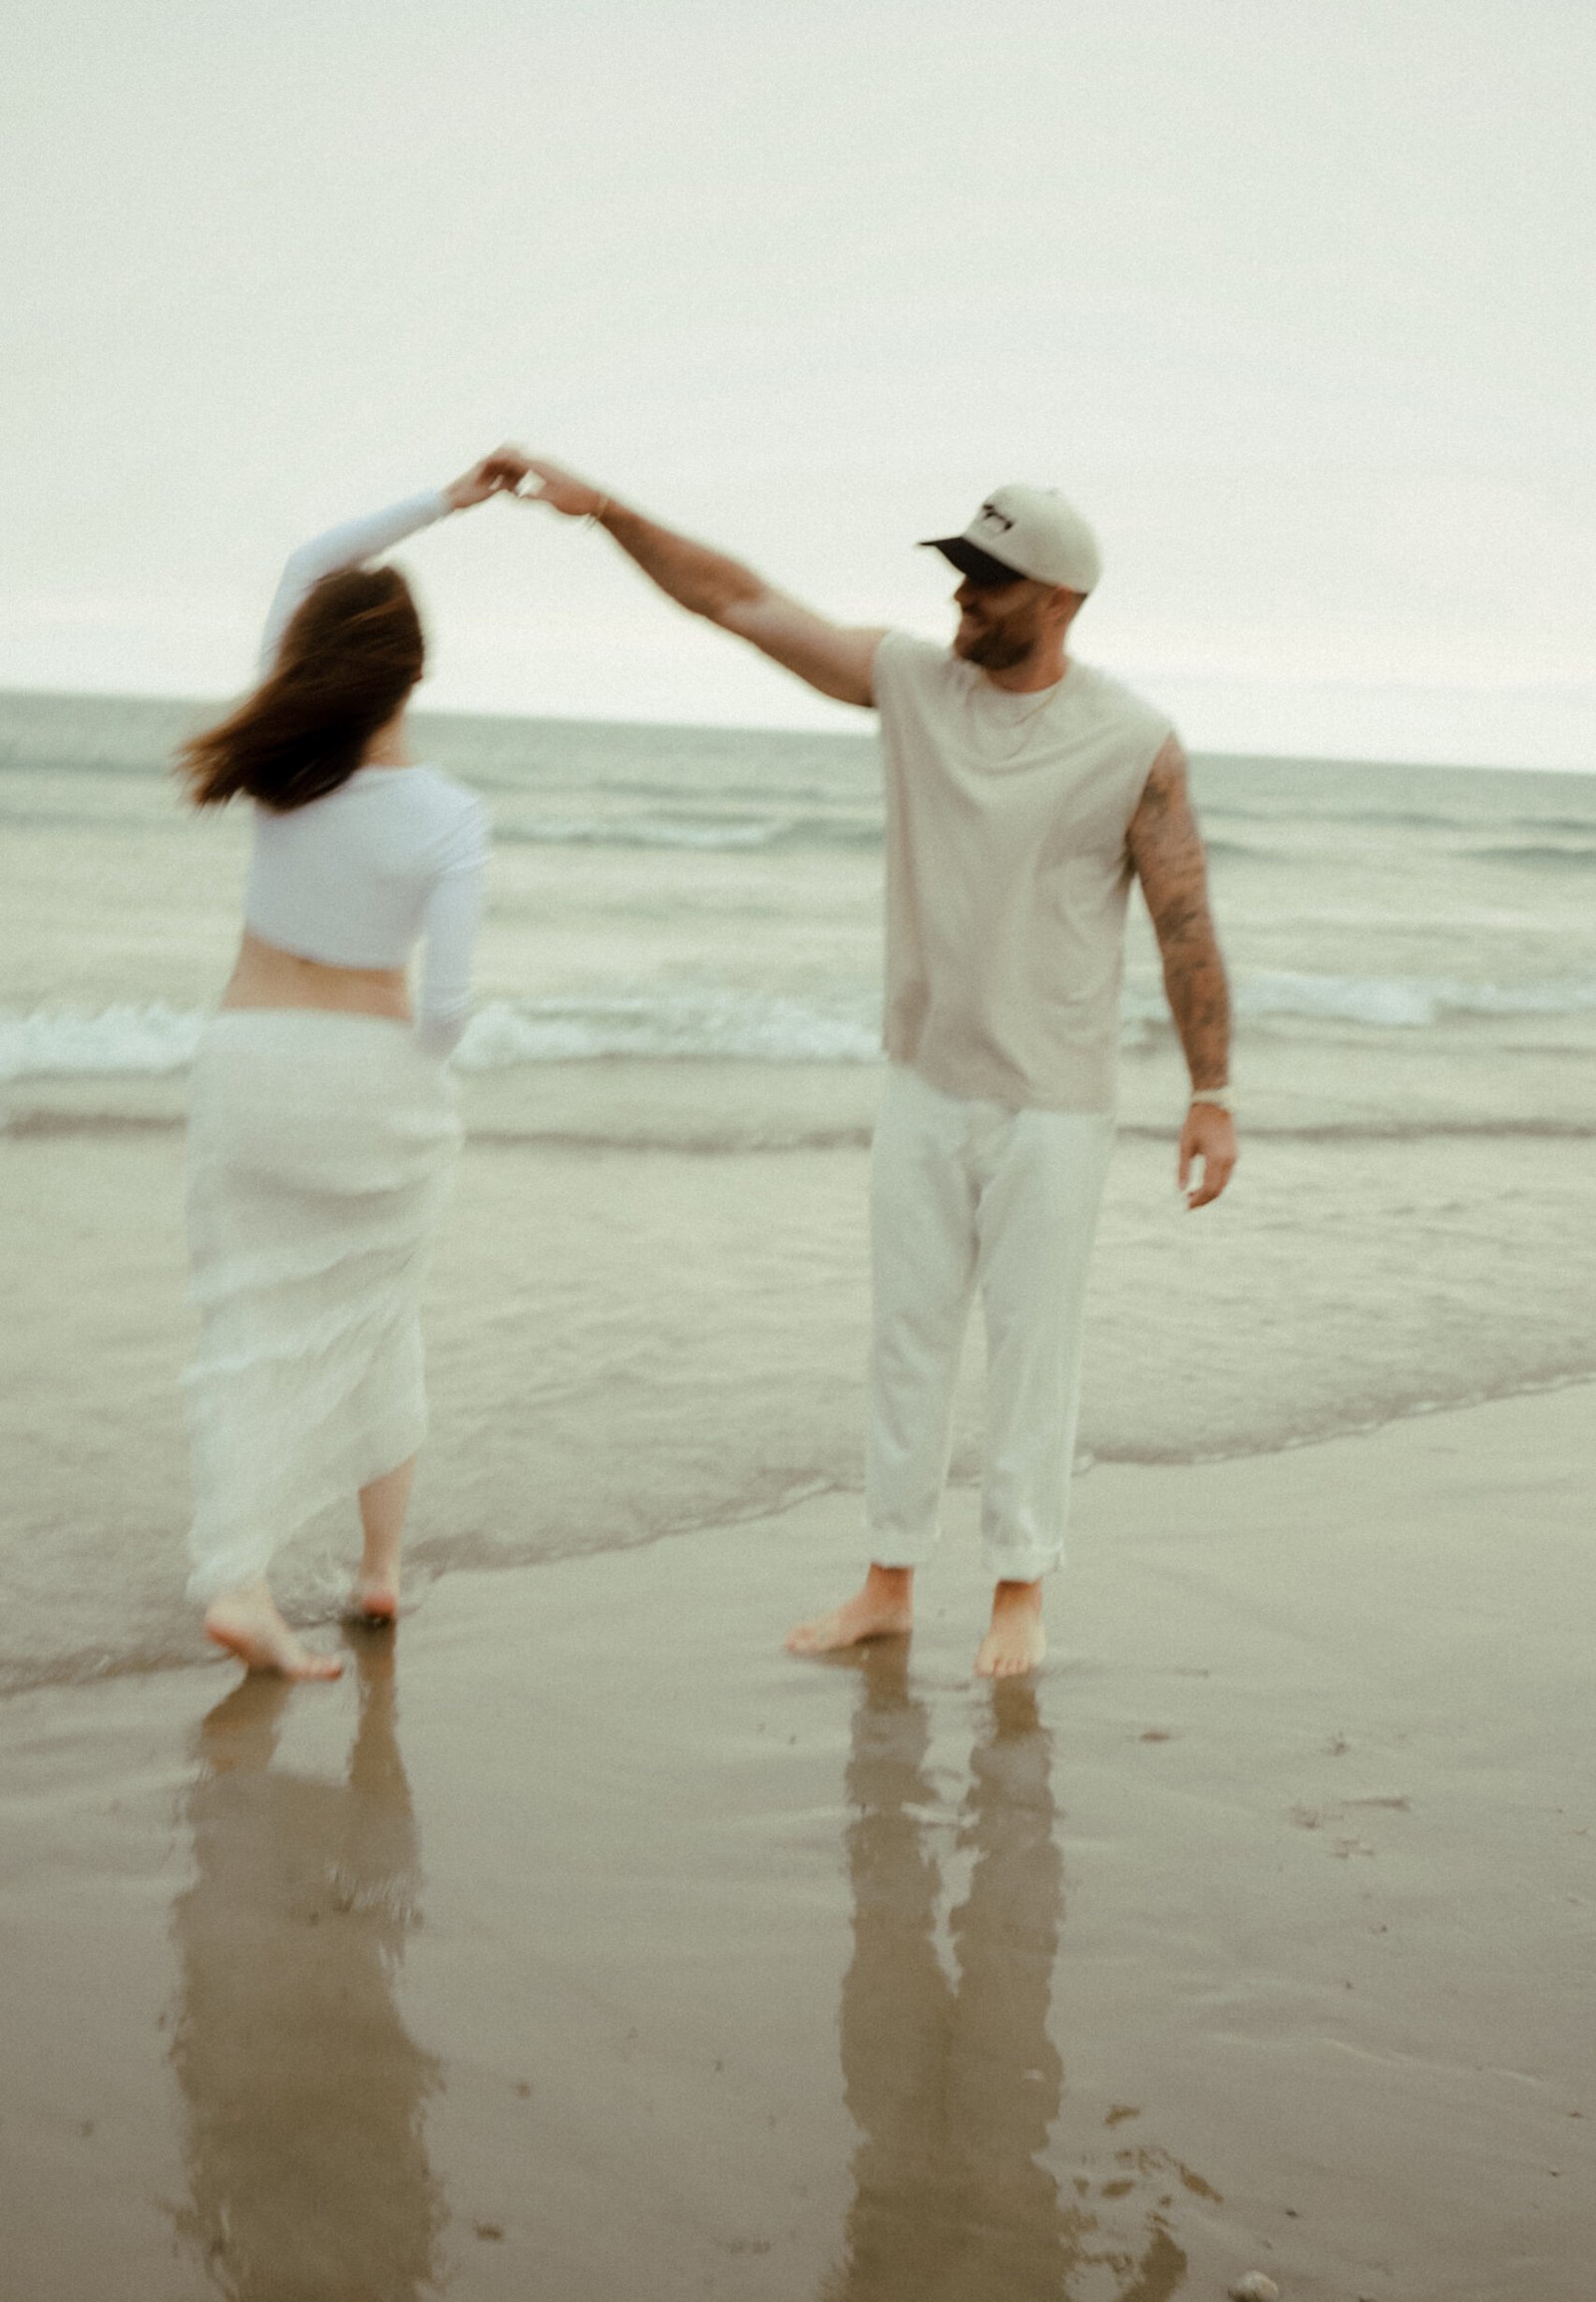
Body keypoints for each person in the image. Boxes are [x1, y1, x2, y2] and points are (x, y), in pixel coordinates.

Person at [514, 462, 1237, 1677]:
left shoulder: (1132, 743)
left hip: (1053, 1106)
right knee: (904, 1340)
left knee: (1029, 1351)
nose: (964, 598)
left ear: (1057, 599)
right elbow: (741, 604)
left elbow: (1183, 921)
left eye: (990, 581)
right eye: (958, 571)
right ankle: (888, 1583)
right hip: (922, 1081)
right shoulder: (911, 684)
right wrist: (614, 515)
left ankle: (1018, 1594)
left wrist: (1209, 1094)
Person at [178, 450, 524, 1680]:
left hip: (249, 1060)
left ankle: (256, 1579)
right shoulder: (447, 817)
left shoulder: (282, 761)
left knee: (247, 1329)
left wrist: (446, 500)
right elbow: (450, 1006)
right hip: (375, 1084)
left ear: (312, 658)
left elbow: (307, 562)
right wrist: (414, 1085)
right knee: (381, 1319)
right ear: (415, 676)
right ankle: (368, 1574)